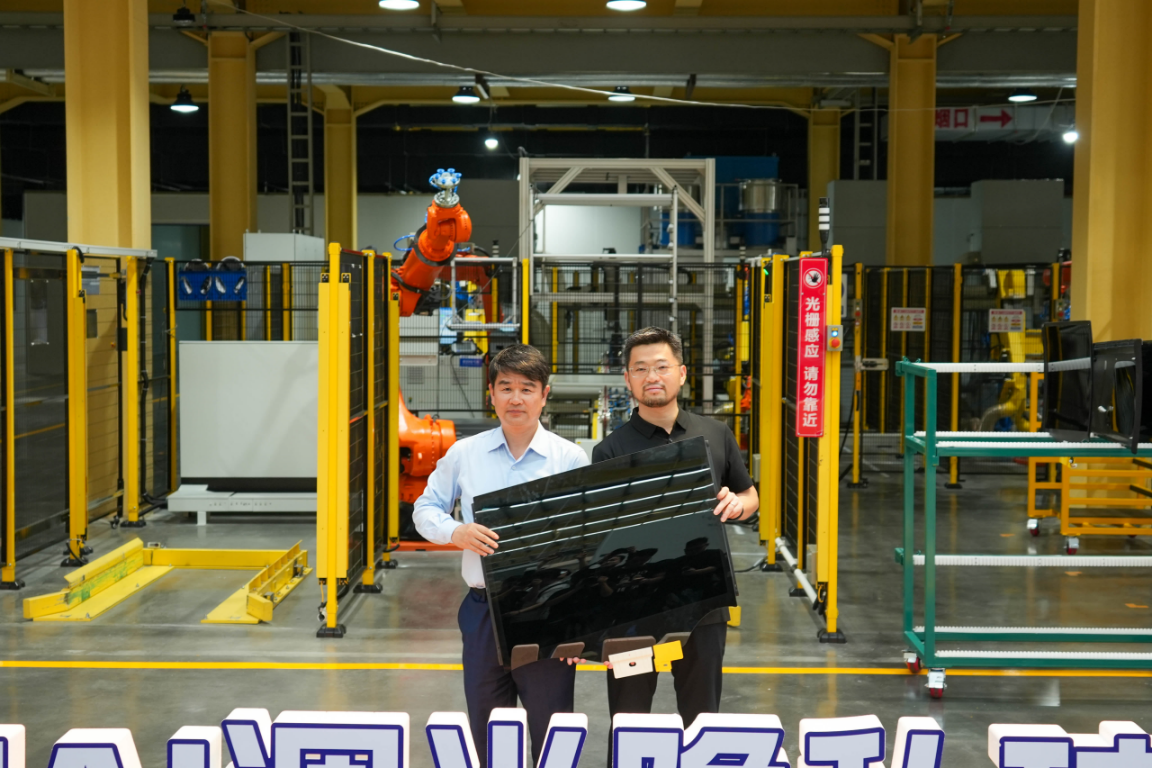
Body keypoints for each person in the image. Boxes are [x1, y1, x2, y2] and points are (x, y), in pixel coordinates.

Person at [413, 344, 589, 768]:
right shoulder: (464, 454)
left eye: (527, 388)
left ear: (544, 395)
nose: (516, 398)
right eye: (505, 387)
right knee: (486, 729)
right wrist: (456, 531)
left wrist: (579, 623)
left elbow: (586, 544)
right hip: (483, 611)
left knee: (551, 730)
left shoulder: (569, 458)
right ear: (491, 394)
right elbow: (425, 508)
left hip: (549, 608)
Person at [591, 326, 758, 745]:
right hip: (633, 610)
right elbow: (601, 538)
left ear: (681, 373)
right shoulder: (609, 451)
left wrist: (738, 505)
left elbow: (748, 494)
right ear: (627, 379)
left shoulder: (715, 434)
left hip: (703, 600)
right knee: (628, 718)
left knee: (702, 719)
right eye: (640, 368)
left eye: (662, 367)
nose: (652, 376)